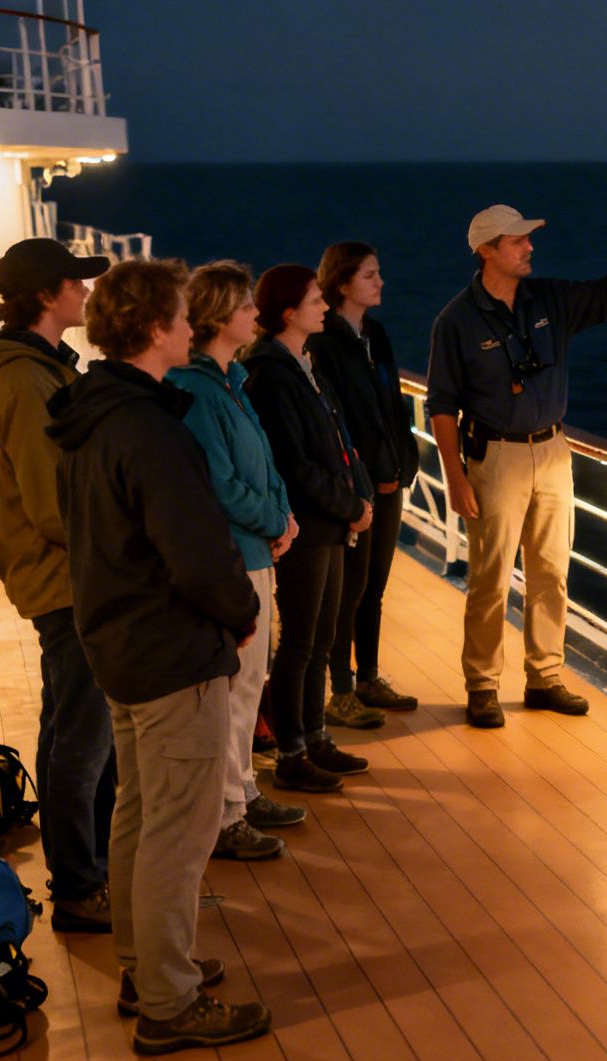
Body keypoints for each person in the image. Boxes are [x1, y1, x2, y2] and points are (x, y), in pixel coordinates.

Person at [44, 257, 270, 1054]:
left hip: (118, 644)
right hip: (171, 652)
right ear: (153, 330)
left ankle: (146, 966)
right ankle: (170, 1005)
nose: (189, 323)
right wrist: (240, 613)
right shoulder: (148, 429)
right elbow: (199, 554)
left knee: (139, 815)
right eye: (180, 314)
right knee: (180, 828)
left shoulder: (89, 414)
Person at [425, 205, 607, 728]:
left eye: (527, 239)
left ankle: (544, 677)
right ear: (487, 250)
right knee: (491, 578)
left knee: (551, 572)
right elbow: (442, 406)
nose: (529, 248)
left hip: (553, 451)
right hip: (495, 457)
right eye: (518, 241)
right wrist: (454, 477)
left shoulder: (549, 299)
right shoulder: (456, 320)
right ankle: (482, 685)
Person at [0, 237, 115, 934]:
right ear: (48, 295)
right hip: (68, 582)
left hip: (62, 577)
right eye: (75, 285)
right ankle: (81, 889)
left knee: (73, 731)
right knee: (79, 741)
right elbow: (51, 505)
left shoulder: (41, 371)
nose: (85, 294)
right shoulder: (25, 382)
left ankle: (95, 871)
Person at [166, 260, 308, 860]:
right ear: (221, 316)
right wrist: (277, 521)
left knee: (250, 688)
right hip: (237, 555)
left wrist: (283, 515)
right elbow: (221, 484)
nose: (256, 313)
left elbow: (264, 465)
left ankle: (244, 788)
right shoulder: (199, 392)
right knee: (232, 692)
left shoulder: (232, 380)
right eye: (247, 307)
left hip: (259, 550)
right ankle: (225, 816)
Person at [243, 264, 372, 790]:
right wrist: (348, 506)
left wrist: (358, 496)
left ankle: (316, 737)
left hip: (332, 521)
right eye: (316, 300)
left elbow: (339, 437)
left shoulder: (305, 363)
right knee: (299, 640)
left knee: (322, 637)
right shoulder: (272, 374)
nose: (324, 306)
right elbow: (295, 463)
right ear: (289, 311)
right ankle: (292, 752)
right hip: (309, 524)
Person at [308, 242, 420, 729]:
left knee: (374, 586)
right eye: (370, 275)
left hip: (390, 478)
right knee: (347, 590)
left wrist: (406, 458)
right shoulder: (325, 342)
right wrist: (357, 480)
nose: (380, 282)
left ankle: (370, 676)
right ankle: (341, 689)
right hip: (358, 485)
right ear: (343, 283)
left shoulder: (375, 334)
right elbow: (336, 420)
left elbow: (393, 402)